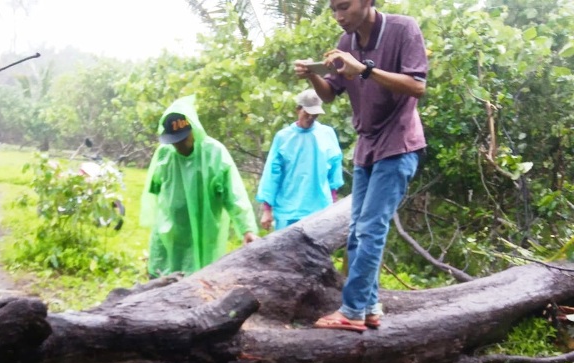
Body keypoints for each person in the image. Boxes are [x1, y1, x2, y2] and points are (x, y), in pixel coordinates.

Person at [295, 0, 427, 332]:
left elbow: (417, 85)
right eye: (333, 10)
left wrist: (364, 69)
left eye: (345, 7)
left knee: (370, 228)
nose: (339, 16)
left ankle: (352, 311)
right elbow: (330, 94)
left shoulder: (403, 29)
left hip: (398, 143)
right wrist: (313, 75)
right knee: (356, 230)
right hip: (366, 145)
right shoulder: (346, 42)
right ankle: (368, 307)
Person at [140, 95, 259, 277]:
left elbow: (235, 196)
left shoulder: (215, 154)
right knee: (162, 280)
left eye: (182, 138)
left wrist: (247, 229)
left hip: (203, 232)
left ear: (193, 130)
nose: (178, 144)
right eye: (173, 140)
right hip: (169, 233)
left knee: (198, 282)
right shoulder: (165, 154)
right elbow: (154, 188)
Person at [256, 89, 344, 231]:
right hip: (288, 210)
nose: (310, 118)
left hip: (320, 208)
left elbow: (335, 169)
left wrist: (334, 201)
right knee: (284, 252)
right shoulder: (283, 137)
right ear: (298, 109)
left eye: (314, 115)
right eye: (307, 113)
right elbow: (272, 173)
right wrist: (267, 209)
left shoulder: (327, 134)